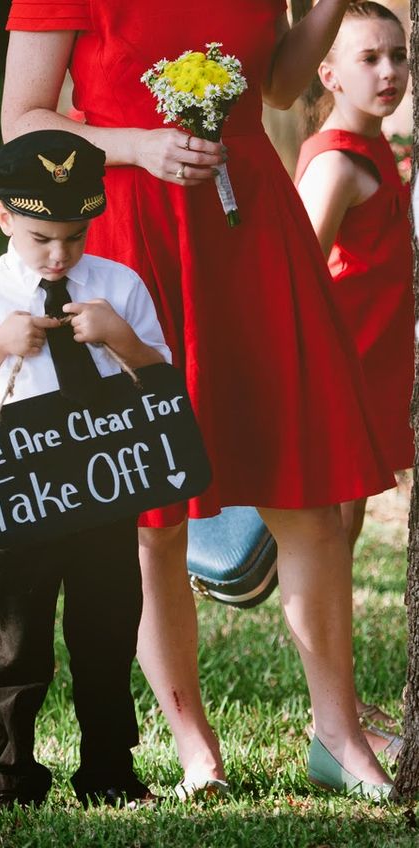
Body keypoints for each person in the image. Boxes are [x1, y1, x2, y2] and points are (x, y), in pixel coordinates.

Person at [1, 0, 399, 800]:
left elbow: (283, 88)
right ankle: (193, 745)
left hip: (248, 223)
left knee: (310, 495)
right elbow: (23, 121)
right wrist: (140, 146)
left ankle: (338, 738)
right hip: (131, 227)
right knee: (155, 518)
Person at [0, 130, 171, 812]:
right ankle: (10, 772)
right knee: (18, 633)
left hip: (105, 481)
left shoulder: (116, 285)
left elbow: (163, 378)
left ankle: (108, 771)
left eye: (73, 235)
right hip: (23, 493)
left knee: (106, 625)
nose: (60, 252)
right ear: (4, 218)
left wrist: (119, 338)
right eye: (42, 237)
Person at [295, 1, 412, 763]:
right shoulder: (337, 160)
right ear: (327, 73)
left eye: (399, 56)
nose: (390, 72)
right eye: (368, 58)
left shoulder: (378, 155)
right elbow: (298, 273)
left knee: (344, 542)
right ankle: (332, 732)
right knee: (327, 551)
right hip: (339, 383)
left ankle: (337, 721)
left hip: (374, 381)